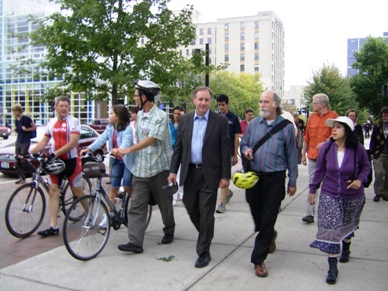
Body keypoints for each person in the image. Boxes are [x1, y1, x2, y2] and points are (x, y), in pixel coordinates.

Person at [168, 86, 231, 268]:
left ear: (209, 102)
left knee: (206, 213)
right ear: (194, 100)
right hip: (190, 173)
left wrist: (225, 176)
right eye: (200, 99)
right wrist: (173, 171)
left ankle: (203, 251)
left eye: (206, 100)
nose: (203, 103)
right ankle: (206, 233)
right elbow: (178, 148)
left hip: (209, 174)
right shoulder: (185, 120)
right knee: (191, 207)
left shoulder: (219, 121)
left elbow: (224, 150)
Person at [240, 90, 298, 277]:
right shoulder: (253, 124)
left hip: (276, 177)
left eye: (266, 101)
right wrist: (246, 150)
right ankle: (269, 234)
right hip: (254, 176)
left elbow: (292, 155)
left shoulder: (287, 127)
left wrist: (292, 181)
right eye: (260, 101)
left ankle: (259, 259)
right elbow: (244, 143)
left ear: (275, 104)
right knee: (258, 215)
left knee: (268, 217)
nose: (262, 105)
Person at [309, 116, 371, 285]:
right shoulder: (327, 148)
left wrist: (360, 180)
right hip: (330, 194)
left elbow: (366, 166)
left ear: (347, 131)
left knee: (347, 225)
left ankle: (347, 246)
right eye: (333, 127)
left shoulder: (358, 149)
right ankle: (332, 267)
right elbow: (320, 170)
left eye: (338, 127)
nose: (333, 130)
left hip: (353, 195)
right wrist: (313, 189)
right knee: (332, 228)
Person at [117, 80, 175, 253]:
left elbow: (151, 140)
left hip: (159, 168)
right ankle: (135, 242)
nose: (134, 98)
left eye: (136, 95)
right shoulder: (140, 115)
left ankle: (169, 229)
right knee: (135, 205)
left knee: (165, 205)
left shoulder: (161, 116)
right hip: (141, 169)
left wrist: (129, 149)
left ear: (144, 97)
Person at [30, 95, 86, 237]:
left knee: (77, 191)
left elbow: (73, 143)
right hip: (56, 162)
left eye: (66, 106)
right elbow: (43, 142)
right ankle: (53, 226)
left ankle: (90, 211)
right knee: (53, 191)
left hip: (71, 161)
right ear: (55, 107)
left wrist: (54, 153)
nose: (64, 108)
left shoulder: (74, 121)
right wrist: (27, 152)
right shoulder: (51, 122)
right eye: (61, 106)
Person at [80, 105, 135, 228]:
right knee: (114, 187)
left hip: (126, 161)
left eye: (111, 113)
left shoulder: (127, 129)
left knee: (126, 185)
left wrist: (120, 149)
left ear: (119, 116)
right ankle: (109, 215)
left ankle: (137, 204)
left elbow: (126, 141)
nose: (108, 116)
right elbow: (101, 139)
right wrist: (89, 148)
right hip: (115, 161)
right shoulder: (110, 128)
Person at [301, 93, 338, 224]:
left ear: (322, 104)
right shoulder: (311, 117)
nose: (312, 105)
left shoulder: (334, 117)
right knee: (313, 183)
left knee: (329, 185)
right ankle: (309, 213)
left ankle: (329, 213)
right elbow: (307, 137)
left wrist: (326, 142)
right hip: (312, 156)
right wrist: (303, 154)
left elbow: (337, 134)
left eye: (314, 102)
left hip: (328, 157)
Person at [215, 94, 241, 213]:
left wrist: (235, 155)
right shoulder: (214, 117)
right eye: (219, 105)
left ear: (227, 104)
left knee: (224, 175)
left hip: (228, 152)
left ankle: (221, 202)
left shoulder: (234, 118)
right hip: (216, 152)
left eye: (223, 105)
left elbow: (236, 137)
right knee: (217, 177)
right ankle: (228, 192)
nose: (221, 107)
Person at [12, 104, 37, 184]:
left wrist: (26, 129)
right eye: (13, 111)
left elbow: (34, 127)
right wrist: (15, 129)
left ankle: (34, 171)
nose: (14, 112)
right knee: (17, 159)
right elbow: (17, 129)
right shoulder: (16, 120)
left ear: (19, 110)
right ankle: (21, 177)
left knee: (23, 159)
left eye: (15, 111)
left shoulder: (26, 119)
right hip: (18, 141)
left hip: (25, 141)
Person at [369, 107, 388, 202]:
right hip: (379, 153)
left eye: (387, 115)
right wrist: (371, 152)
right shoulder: (378, 125)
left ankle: (386, 192)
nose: (385, 117)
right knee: (379, 172)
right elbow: (373, 139)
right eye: (384, 115)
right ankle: (378, 192)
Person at [169, 106, 184, 206]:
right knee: (172, 174)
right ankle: (173, 195)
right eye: (175, 113)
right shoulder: (169, 125)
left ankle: (181, 193)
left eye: (178, 114)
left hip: (180, 152)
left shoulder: (183, 125)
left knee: (179, 174)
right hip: (170, 151)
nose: (176, 116)